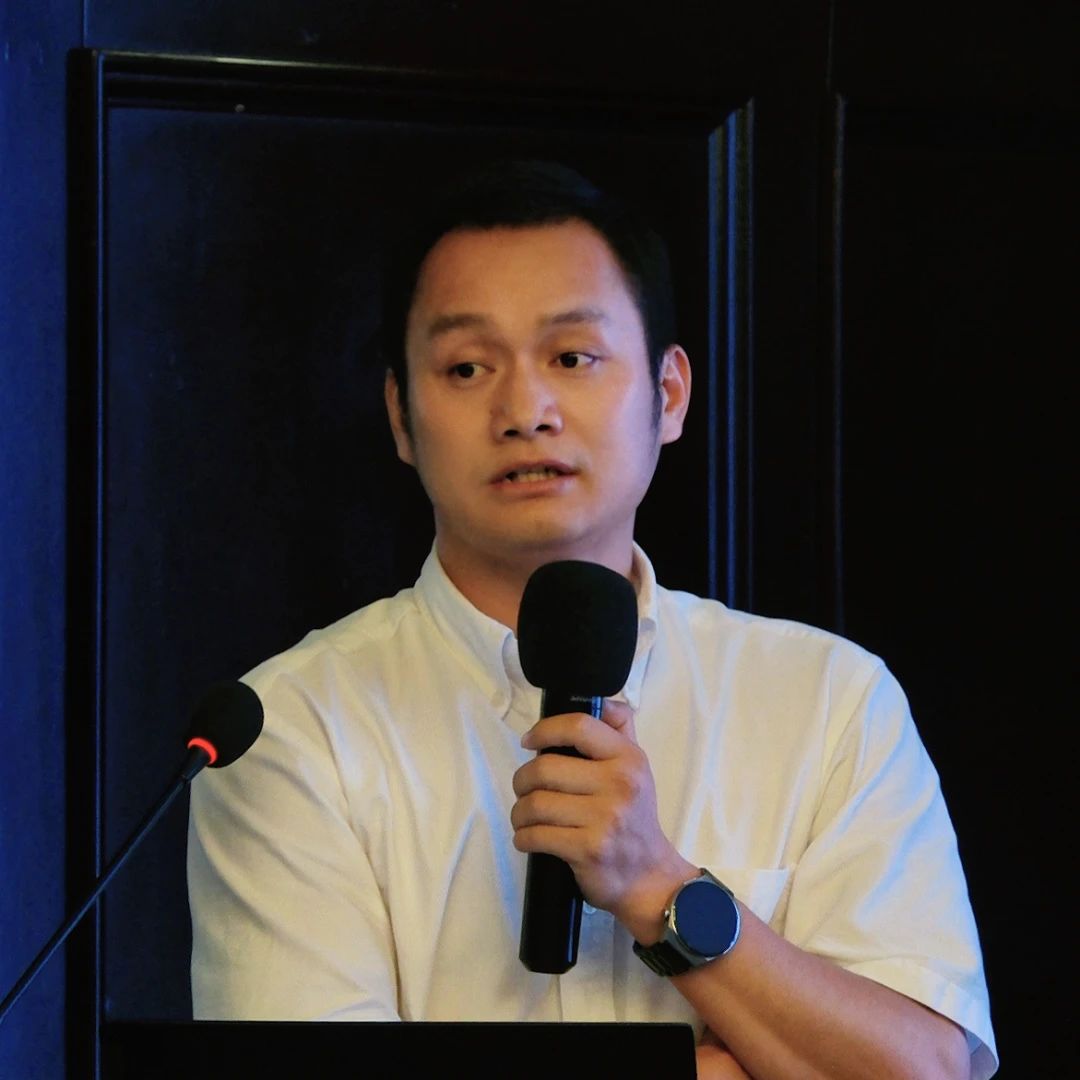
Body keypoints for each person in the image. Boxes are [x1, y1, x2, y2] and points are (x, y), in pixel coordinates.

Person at [187, 159, 998, 1079]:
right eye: (466, 367)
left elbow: (931, 1070)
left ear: (669, 394)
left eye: (572, 358)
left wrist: (659, 887)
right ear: (401, 417)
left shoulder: (827, 701)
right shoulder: (290, 731)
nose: (524, 411)